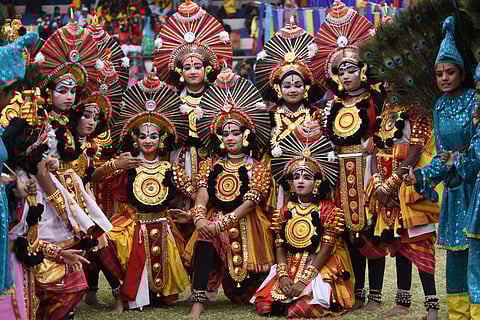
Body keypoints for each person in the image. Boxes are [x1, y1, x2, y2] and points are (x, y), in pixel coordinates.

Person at [170, 69, 274, 320]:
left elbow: (250, 203)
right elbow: (203, 195)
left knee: (241, 295)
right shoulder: (211, 164)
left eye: (235, 132)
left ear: (246, 135)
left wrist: (219, 225)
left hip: (247, 224)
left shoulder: (255, 166)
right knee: (203, 240)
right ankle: (198, 302)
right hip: (214, 220)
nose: (229, 137)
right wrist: (200, 219)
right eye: (225, 132)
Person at [93, 72, 192, 311]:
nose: (148, 140)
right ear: (135, 140)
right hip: (134, 227)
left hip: (163, 227)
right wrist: (115, 165)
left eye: (154, 136)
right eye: (143, 136)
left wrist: (194, 213)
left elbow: (194, 190)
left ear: (162, 140)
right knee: (104, 241)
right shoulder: (128, 164)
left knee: (166, 297)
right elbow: (95, 178)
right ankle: (121, 293)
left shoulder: (170, 168)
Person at [311, 0, 386, 310]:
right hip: (341, 172)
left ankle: (377, 294)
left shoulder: (375, 100)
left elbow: (389, 128)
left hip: (369, 170)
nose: (346, 75)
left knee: (371, 229)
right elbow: (323, 139)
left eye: (352, 69)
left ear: (362, 70)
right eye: (341, 70)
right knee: (349, 232)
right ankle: (356, 292)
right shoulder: (331, 107)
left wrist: (377, 140)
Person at [404, 16, 478, 319]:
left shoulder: (475, 100)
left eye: (450, 72)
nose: (445, 78)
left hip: (475, 189)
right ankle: (458, 313)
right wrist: (421, 175)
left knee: (476, 256)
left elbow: (475, 147)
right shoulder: (439, 106)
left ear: (462, 73)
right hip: (455, 191)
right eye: (439, 74)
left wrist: (458, 161)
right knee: (456, 257)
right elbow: (441, 154)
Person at [252, 132, 353, 318]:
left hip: (319, 265)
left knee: (297, 311)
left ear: (316, 183)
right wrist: (282, 277)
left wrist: (303, 281)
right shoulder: (285, 210)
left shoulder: (328, 210)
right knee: (264, 306)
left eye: (306, 177)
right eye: (296, 176)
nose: (300, 181)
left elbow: (326, 249)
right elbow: (280, 245)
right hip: (290, 264)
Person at [154, 0, 232, 211]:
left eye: (198, 66)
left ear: (207, 69)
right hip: (180, 158)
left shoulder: (216, 96)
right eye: (187, 67)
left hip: (213, 157)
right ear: (180, 72)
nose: (193, 71)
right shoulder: (172, 98)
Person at [254, 17, 333, 210]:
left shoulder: (317, 114)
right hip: (273, 178)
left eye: (298, 85)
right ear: (279, 89)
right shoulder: (270, 116)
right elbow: (259, 151)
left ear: (306, 88)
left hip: (309, 178)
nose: (292, 90)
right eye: (287, 85)